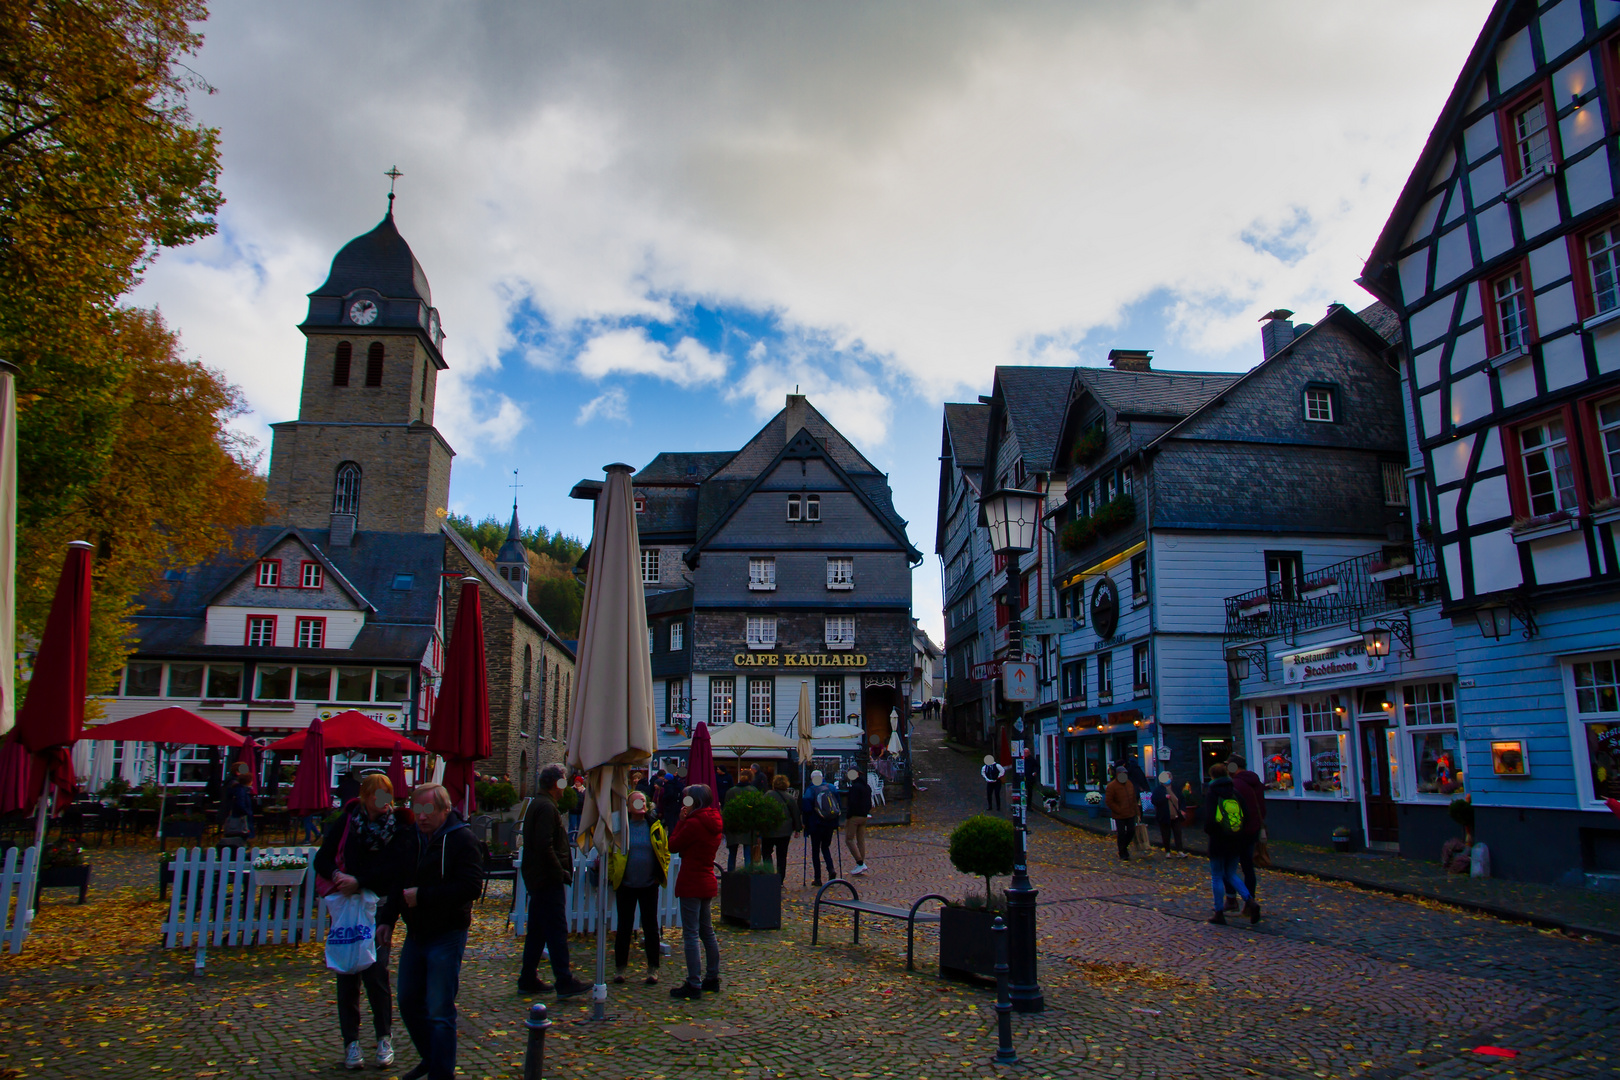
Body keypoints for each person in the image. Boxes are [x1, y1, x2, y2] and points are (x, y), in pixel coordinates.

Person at [316, 773, 413, 1071]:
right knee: (347, 975)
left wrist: (359, 880)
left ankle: (384, 1036)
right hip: (349, 907)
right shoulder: (348, 823)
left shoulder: (399, 825)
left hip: (378, 905)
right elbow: (323, 858)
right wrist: (337, 876)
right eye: (378, 796)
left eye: (388, 795)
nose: (384, 802)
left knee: (376, 972)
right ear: (366, 797)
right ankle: (351, 1042)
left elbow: (396, 868)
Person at [387, 783, 484, 1080]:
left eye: (429, 810)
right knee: (407, 1000)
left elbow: (470, 887)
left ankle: (442, 1073)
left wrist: (424, 896)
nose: (422, 816)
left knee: (439, 1008)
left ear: (444, 810)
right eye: (418, 810)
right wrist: (386, 920)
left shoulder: (462, 840)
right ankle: (432, 1057)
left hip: (446, 932)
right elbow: (397, 881)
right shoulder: (409, 839)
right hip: (416, 933)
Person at [517, 764, 589, 998]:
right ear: (555, 784)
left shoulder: (538, 804)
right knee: (557, 930)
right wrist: (559, 871)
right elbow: (544, 844)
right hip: (547, 878)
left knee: (537, 931)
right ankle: (564, 980)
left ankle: (528, 977)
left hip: (539, 877)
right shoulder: (546, 808)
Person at [667, 784, 723, 1000]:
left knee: (691, 933)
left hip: (692, 879)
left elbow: (673, 845)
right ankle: (712, 977)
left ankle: (693, 982)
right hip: (707, 877)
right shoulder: (714, 820)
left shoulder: (693, 824)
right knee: (707, 931)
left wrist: (680, 822)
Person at [612, 791, 668, 985]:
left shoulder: (654, 826)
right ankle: (620, 968)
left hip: (648, 884)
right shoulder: (621, 828)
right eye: (636, 801)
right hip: (626, 884)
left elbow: (664, 852)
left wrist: (658, 874)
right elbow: (613, 853)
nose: (640, 804)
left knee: (651, 927)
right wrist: (614, 874)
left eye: (643, 801)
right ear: (628, 806)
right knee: (624, 927)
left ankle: (653, 968)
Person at [1203, 764, 1259, 925]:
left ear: (1212, 776)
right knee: (1231, 873)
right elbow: (1246, 816)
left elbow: (1209, 820)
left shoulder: (1212, 793)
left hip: (1218, 841)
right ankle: (1250, 901)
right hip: (1236, 840)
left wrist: (1212, 832)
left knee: (1217, 876)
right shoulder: (1235, 793)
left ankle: (1219, 911)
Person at [1227, 753, 1267, 909]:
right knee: (1248, 867)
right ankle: (1251, 897)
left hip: (1238, 832)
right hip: (1253, 830)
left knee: (1227, 868)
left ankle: (1233, 899)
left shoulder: (1236, 785)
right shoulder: (1256, 783)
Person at [801, 769, 839, 886]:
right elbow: (838, 805)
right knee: (826, 847)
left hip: (816, 824)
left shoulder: (810, 790)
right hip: (830, 823)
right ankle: (831, 869)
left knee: (815, 850)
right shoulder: (831, 787)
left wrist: (805, 824)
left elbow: (806, 808)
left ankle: (817, 878)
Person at [764, 774, 801, 880]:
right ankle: (780, 879)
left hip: (769, 830)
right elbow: (795, 813)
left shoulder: (767, 795)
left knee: (766, 853)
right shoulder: (789, 797)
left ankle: (769, 875)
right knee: (781, 856)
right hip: (784, 831)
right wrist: (797, 828)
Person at [722, 768, 755, 872]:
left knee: (732, 854)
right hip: (748, 826)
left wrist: (725, 827)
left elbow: (726, 810)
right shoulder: (753, 791)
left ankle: (731, 876)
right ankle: (748, 876)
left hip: (733, 825)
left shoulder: (731, 791)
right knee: (748, 854)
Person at [1104, 766, 1138, 860]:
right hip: (1119, 815)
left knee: (1131, 831)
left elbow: (1133, 798)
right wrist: (1118, 809)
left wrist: (1137, 811)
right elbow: (1109, 801)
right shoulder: (1112, 786)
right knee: (1121, 833)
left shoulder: (1129, 784)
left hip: (1130, 812)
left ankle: (1124, 848)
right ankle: (1122, 852)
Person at [843, 769, 872, 876]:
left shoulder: (855, 787)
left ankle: (860, 862)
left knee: (849, 839)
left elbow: (852, 803)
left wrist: (848, 816)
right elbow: (869, 801)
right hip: (864, 816)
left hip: (855, 816)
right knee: (860, 840)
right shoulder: (866, 786)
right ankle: (861, 863)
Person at [1150, 770, 1185, 857]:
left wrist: (1182, 810)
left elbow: (1182, 799)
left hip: (1176, 815)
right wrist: (1164, 798)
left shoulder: (1176, 788)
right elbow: (1154, 801)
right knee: (1166, 834)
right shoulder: (1158, 790)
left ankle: (1180, 851)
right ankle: (1167, 851)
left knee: (1178, 833)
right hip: (1164, 815)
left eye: (1169, 777)